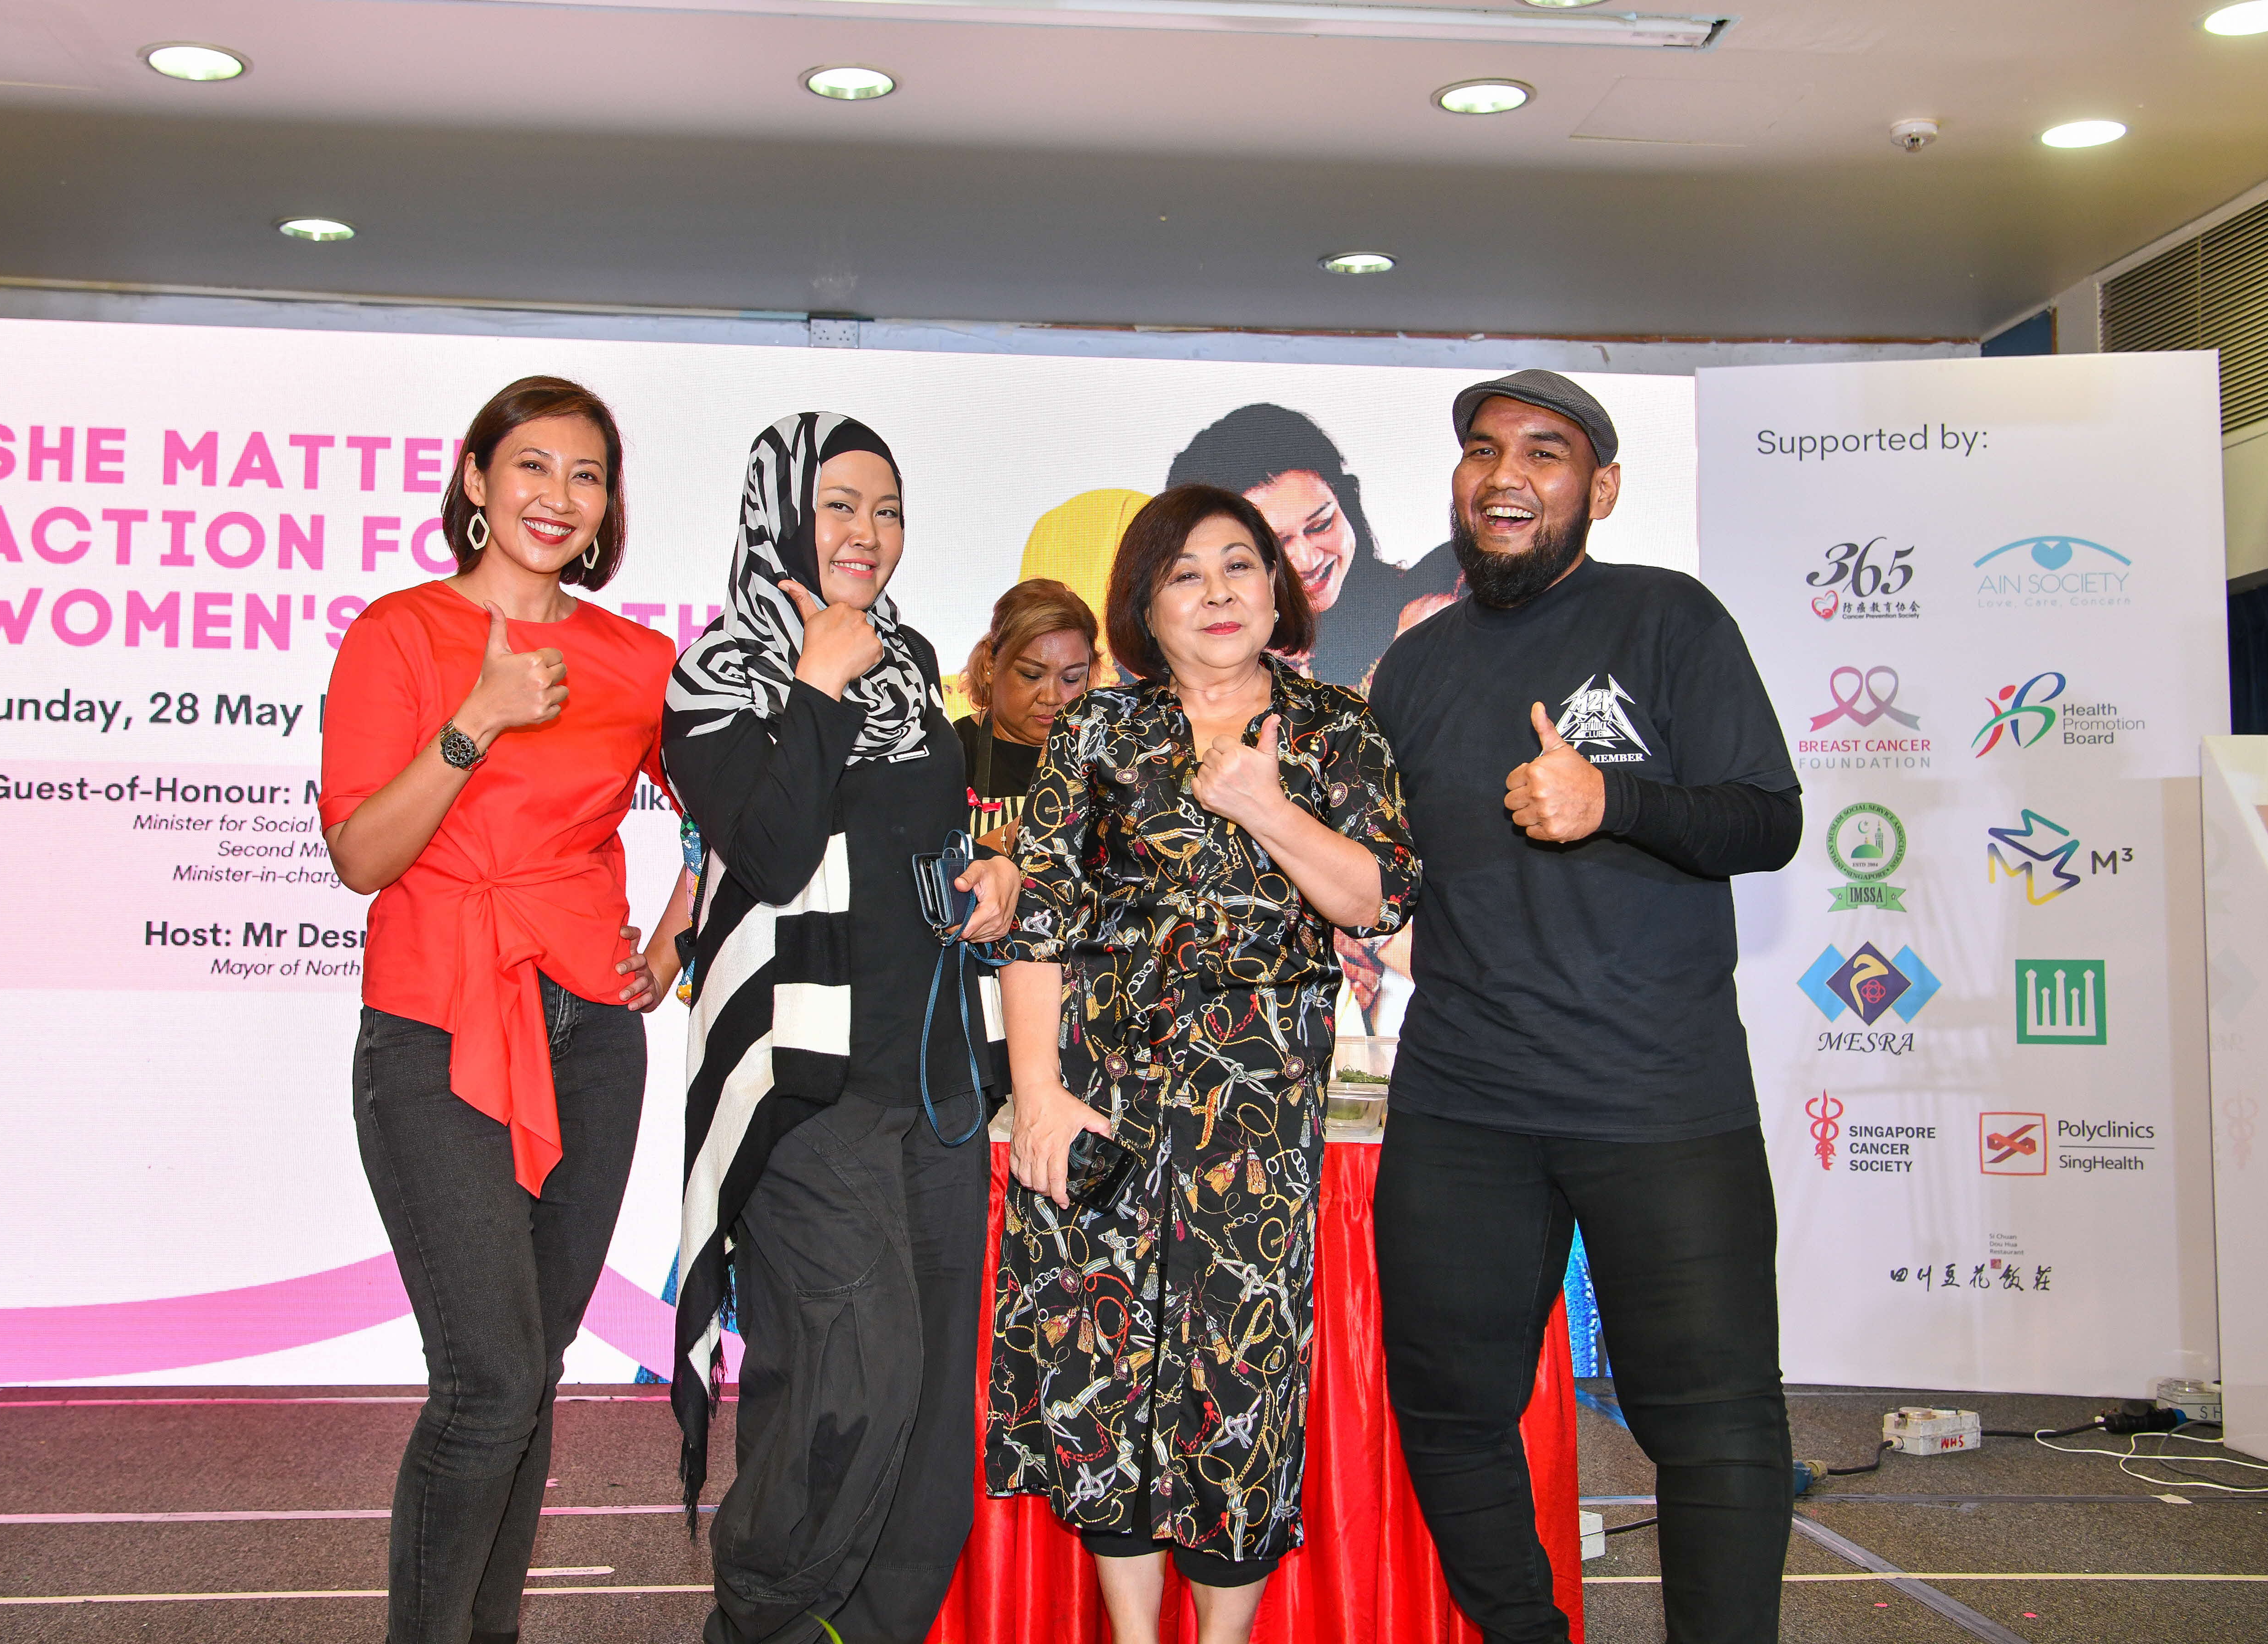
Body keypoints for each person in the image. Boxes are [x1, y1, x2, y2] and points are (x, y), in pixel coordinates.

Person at [1367, 370, 1802, 1644]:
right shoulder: (1415, 668)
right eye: (1483, 450)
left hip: (1660, 1101)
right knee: (1449, 1409)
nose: (1505, 474)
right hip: (1462, 1104)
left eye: (1545, 453)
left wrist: (1615, 802)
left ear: (1600, 488)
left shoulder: (1672, 619)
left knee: (1714, 1423)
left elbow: (1764, 819)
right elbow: (1381, 878)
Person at [990, 484, 1421, 1644]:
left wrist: (1266, 807)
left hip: (1258, 1099)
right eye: (1186, 573)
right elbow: (1041, 924)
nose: (1219, 590)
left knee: (1237, 1380)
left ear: (1277, 590)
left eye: (1241, 564)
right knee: (1108, 1368)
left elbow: (1375, 901)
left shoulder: (1333, 727)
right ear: (1145, 604)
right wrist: (1038, 1093)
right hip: (1107, 1088)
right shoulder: (1098, 732)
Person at [318, 375, 691, 1644]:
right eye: (533, 467)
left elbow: (735, 808)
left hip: (591, 1032)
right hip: (435, 1026)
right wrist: (479, 716)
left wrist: (676, 928)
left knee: (529, 1381)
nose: (559, 498)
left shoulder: (638, 660)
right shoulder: (400, 635)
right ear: (476, 479)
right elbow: (364, 856)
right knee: (484, 1382)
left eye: (586, 477)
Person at [663, 412, 1023, 1644]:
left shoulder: (917, 664)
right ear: (779, 512)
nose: (868, 534)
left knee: (931, 1421)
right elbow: (763, 849)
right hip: (802, 1087)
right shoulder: (717, 672)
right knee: (849, 1382)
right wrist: (816, 682)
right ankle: (761, 1627)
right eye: (840, 505)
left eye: (888, 508)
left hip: (932, 1081)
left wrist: (989, 886)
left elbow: (919, 838)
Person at [1167, 404, 1458, 695]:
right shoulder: (1178, 661)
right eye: (1275, 546)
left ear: (1347, 505)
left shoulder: (1431, 606)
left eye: (1321, 525)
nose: (1308, 559)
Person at [955, 577, 1100, 854]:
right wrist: (1008, 838)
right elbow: (929, 867)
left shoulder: (1106, 754)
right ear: (990, 663)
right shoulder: (952, 752)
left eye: (1071, 679)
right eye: (1031, 675)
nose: (1051, 698)